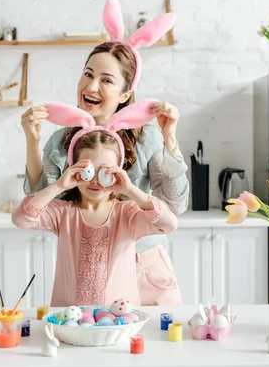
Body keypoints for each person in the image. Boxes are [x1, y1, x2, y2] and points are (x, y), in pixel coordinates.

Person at [20, 0, 189, 305]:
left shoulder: (148, 138)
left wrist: (170, 140)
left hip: (145, 268)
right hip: (90, 269)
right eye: (88, 73)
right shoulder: (61, 141)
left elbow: (175, 206)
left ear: (126, 93)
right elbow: (42, 204)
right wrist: (32, 142)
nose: (91, 86)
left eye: (106, 80)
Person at [12, 101, 178, 306]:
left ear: (118, 172)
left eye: (105, 172)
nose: (95, 181)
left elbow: (169, 224)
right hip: (71, 324)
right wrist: (59, 185)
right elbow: (21, 218)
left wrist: (130, 190)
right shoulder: (63, 213)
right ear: (74, 168)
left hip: (119, 323)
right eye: (88, 170)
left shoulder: (128, 214)